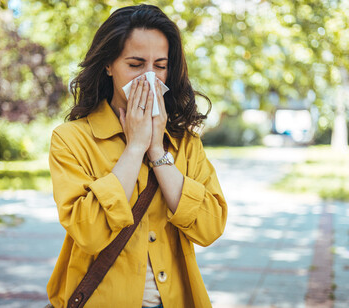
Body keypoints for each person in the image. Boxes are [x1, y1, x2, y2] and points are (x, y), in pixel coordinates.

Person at [47, 4, 227, 308]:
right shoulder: (71, 139)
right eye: (135, 64)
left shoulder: (184, 143)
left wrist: (156, 149)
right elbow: (88, 232)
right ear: (108, 65)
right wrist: (134, 148)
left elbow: (210, 228)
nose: (149, 78)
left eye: (159, 65)